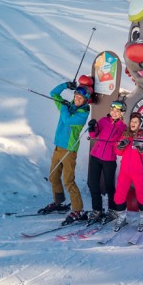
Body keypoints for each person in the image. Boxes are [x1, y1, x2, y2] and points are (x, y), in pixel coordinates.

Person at [38, 82, 90, 225]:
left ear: (86, 100)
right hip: (58, 147)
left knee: (68, 181)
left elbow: (67, 120)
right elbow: (53, 93)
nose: (78, 99)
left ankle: (78, 210)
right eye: (77, 96)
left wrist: (65, 107)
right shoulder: (67, 107)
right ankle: (59, 202)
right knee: (53, 176)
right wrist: (66, 85)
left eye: (81, 98)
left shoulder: (83, 114)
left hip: (69, 149)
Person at [86, 100, 127, 223]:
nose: (114, 113)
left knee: (109, 186)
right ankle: (97, 210)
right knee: (93, 184)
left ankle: (113, 209)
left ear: (122, 113)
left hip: (109, 159)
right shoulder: (103, 121)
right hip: (96, 156)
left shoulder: (123, 127)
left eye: (117, 111)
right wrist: (92, 126)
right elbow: (93, 135)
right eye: (113, 110)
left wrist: (122, 143)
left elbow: (122, 142)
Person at [112, 112, 143, 231]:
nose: (132, 124)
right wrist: (120, 146)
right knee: (119, 194)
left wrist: (142, 149)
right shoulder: (125, 135)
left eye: (135, 122)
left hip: (138, 172)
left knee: (141, 194)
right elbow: (118, 152)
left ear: (141, 124)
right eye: (131, 121)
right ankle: (122, 217)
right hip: (125, 171)